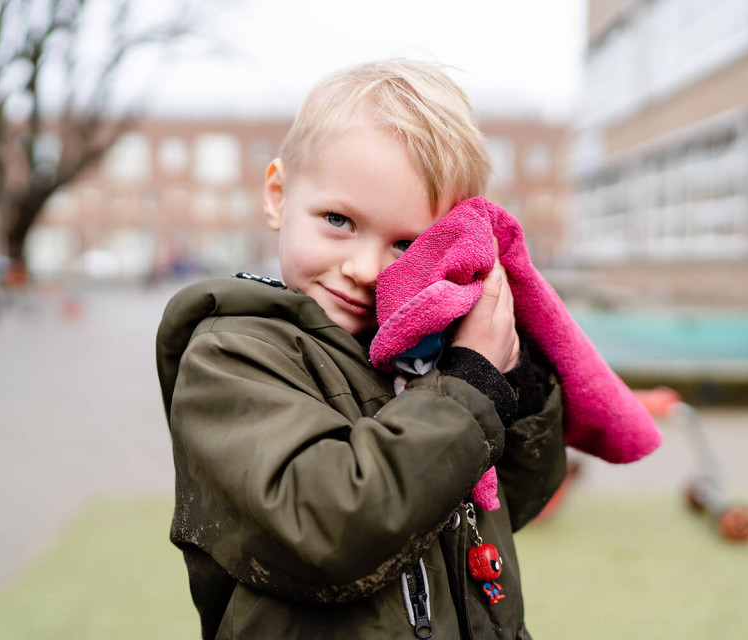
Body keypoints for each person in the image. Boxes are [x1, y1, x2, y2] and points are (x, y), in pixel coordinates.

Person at [156, 59, 566, 640]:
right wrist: (468, 389)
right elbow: (327, 527)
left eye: (406, 242)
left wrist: (510, 377)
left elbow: (511, 502)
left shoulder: (425, 357)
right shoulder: (230, 357)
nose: (367, 269)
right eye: (338, 220)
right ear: (277, 195)